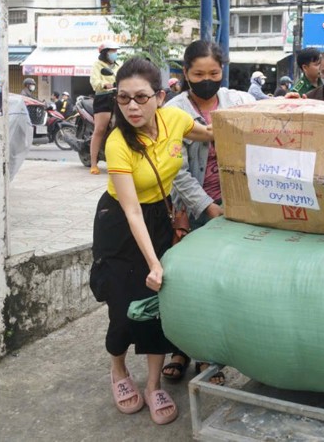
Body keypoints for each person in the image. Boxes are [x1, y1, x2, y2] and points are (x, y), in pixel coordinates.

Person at [92, 56, 213, 426]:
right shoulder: (117, 143)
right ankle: (118, 370)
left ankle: (154, 383)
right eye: (123, 98)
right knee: (124, 306)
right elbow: (130, 211)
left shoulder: (174, 119)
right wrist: (155, 262)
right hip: (120, 224)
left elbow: (210, 134)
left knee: (157, 307)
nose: (131, 106)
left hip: (159, 217)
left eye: (141, 97)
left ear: (159, 96)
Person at [162, 39, 256, 386]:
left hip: (234, 208)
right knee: (184, 282)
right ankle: (181, 350)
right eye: (198, 73)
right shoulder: (173, 112)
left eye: (213, 73)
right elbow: (176, 171)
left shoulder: (238, 101)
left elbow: (268, 116)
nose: (206, 79)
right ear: (185, 73)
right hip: (192, 210)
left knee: (218, 283)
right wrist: (208, 207)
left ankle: (210, 354)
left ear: (222, 71)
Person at [89, 43, 122, 175]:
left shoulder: (119, 66)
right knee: (100, 129)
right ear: (105, 53)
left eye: (116, 51)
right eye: (112, 51)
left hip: (118, 97)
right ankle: (93, 163)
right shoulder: (98, 65)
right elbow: (94, 82)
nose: (115, 53)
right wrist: (104, 84)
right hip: (103, 98)